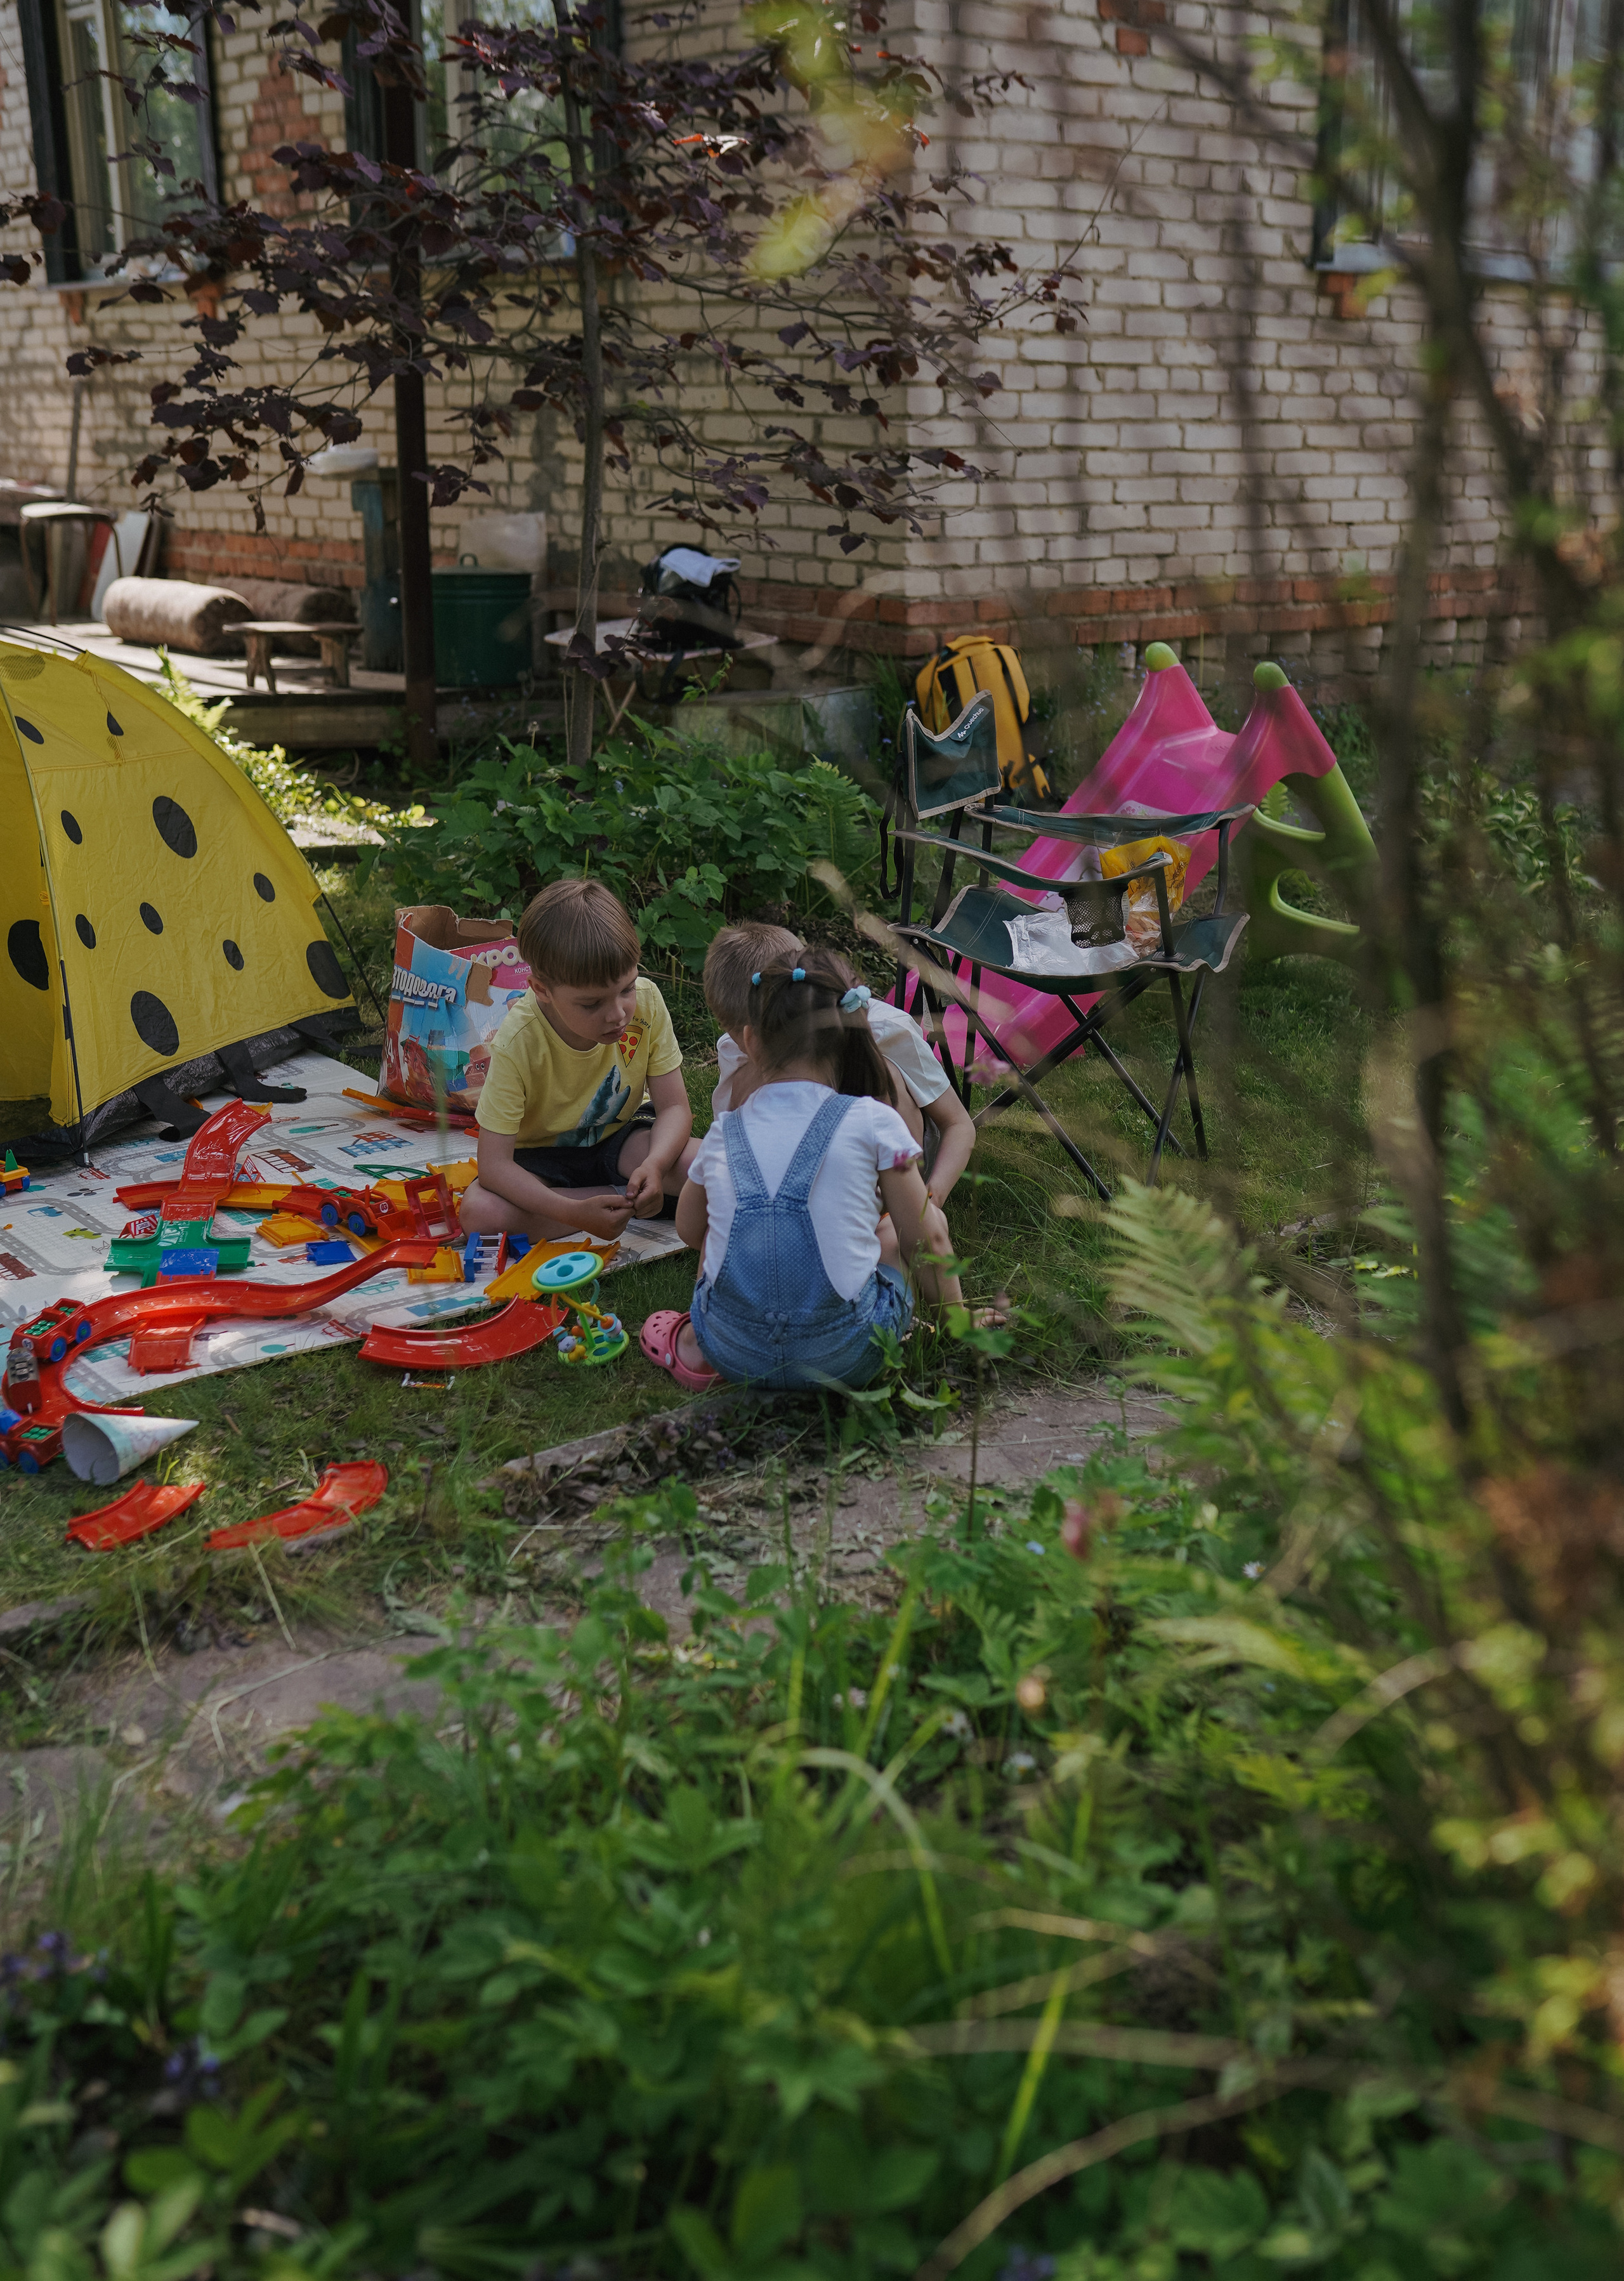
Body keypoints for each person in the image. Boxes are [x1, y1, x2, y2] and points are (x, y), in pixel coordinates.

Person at [640, 947, 962, 1392]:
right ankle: (907, 1331)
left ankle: (693, 1345)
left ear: (750, 1041)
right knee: (899, 1228)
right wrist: (958, 1324)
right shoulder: (874, 1121)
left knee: (724, 1223)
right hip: (849, 1355)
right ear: (852, 1034)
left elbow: (691, 1231)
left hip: (734, 1354)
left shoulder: (724, 1133)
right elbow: (930, 1240)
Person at [459, 878, 695, 1245]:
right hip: (540, 1161)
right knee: (480, 1214)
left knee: (714, 1167)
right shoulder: (518, 1041)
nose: (618, 1014)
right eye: (591, 1004)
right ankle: (623, 1200)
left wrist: (656, 1165)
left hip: (621, 1141)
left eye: (627, 988)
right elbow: (494, 1166)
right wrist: (570, 1212)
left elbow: (675, 1108)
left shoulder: (648, 1002)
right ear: (542, 990)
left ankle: (631, 1194)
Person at [702, 922, 977, 1201]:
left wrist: (932, 1199)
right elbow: (730, 1138)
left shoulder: (887, 1032)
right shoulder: (737, 1052)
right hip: (809, 1170)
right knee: (749, 1078)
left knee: (885, 1075)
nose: (747, 1044)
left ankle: (893, 1200)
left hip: (897, 1163)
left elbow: (957, 1124)